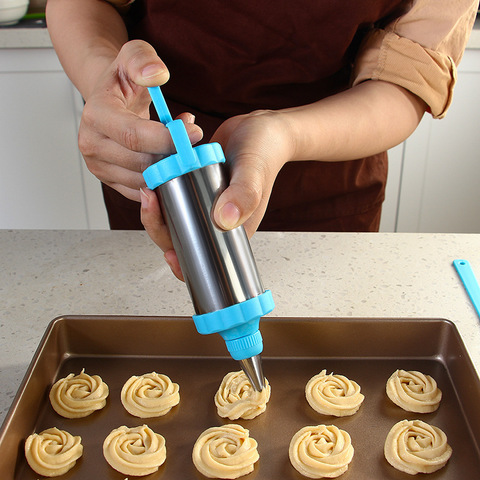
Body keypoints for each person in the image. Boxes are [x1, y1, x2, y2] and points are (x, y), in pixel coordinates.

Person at [46, 0, 477, 279]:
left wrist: (282, 133)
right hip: (156, 171)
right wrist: (106, 77)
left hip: (328, 179)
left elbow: (404, 79)